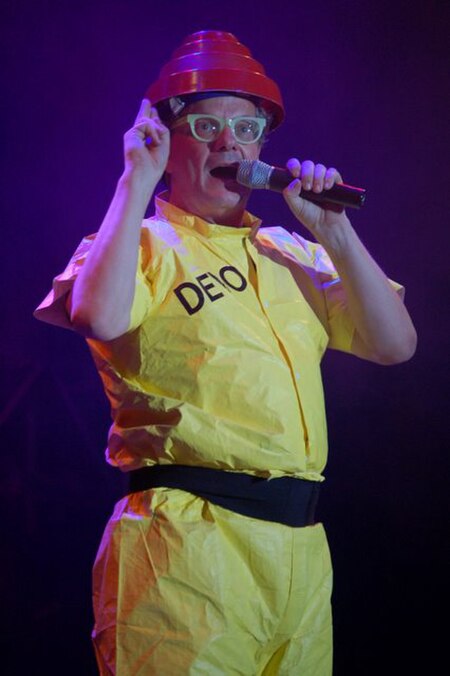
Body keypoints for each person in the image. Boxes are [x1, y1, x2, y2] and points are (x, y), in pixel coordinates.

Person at [35, 30, 417, 675]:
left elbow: (394, 344)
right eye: (206, 124)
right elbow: (96, 314)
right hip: (186, 543)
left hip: (298, 549)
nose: (229, 143)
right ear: (168, 139)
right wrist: (136, 178)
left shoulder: (293, 252)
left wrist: (334, 228)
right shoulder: (140, 242)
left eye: (247, 128)